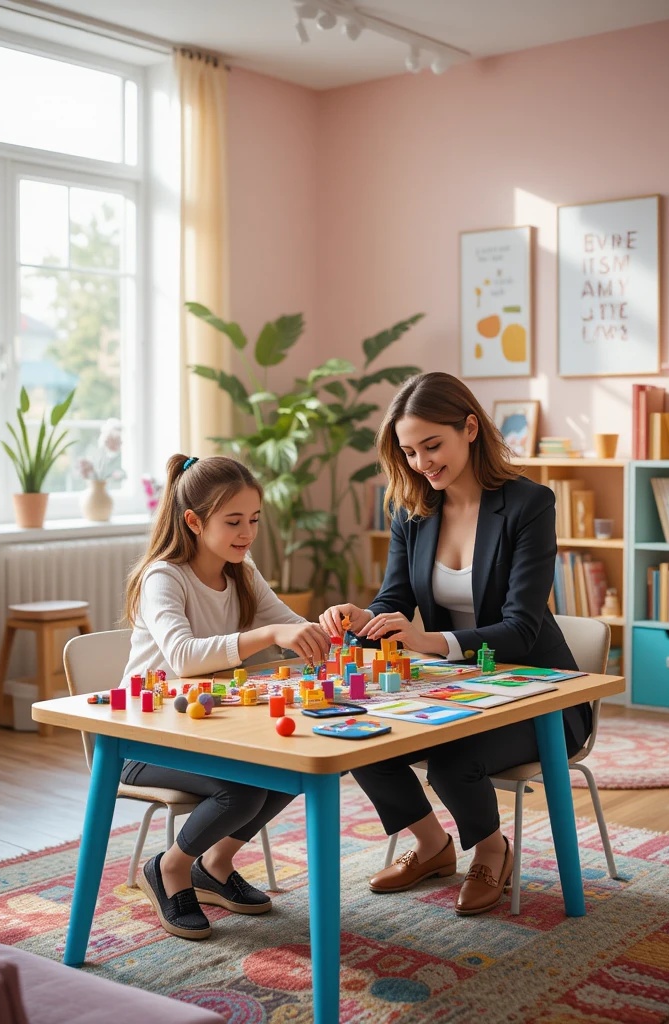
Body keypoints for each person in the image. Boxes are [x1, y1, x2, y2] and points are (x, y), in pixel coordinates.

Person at [320, 372, 591, 917]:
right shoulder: (411, 512)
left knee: (451, 762)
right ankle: (432, 845)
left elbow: (521, 628)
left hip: (541, 698)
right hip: (458, 693)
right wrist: (359, 619)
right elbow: (391, 601)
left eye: (432, 446)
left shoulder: (528, 504)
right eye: (410, 451)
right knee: (355, 740)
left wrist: (428, 640)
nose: (421, 463)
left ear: (470, 428)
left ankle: (493, 850)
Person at [122, 453, 330, 940]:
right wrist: (266, 635)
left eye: (254, 520)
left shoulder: (242, 570)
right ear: (193, 521)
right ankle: (170, 867)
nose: (247, 533)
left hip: (200, 726)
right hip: (139, 737)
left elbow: (290, 626)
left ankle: (213, 866)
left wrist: (330, 624)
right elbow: (183, 656)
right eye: (233, 521)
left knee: (289, 767)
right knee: (243, 787)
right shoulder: (163, 577)